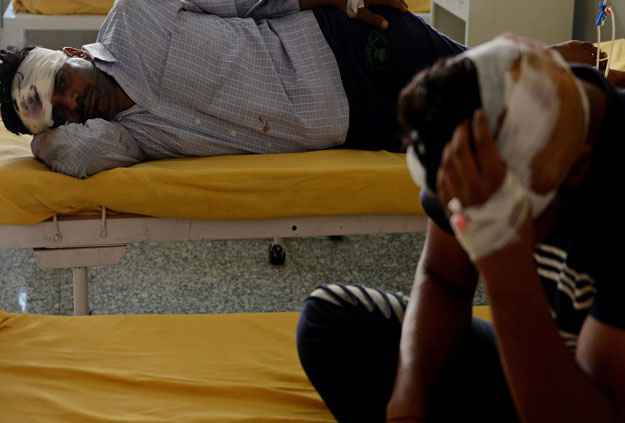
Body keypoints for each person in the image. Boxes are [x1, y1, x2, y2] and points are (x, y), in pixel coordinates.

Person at [296, 35, 624, 422]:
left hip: (592, 399)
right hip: (530, 358)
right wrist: (407, 401)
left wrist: (503, 256)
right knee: (329, 320)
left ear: (578, 169)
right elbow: (443, 277)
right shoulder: (479, 130)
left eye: (524, 224)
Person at [0, 0, 606, 179]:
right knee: (500, 120)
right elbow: (70, 155)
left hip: (342, 44)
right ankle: (577, 78)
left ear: (74, 53)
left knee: (495, 84)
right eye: (54, 114)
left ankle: (579, 74)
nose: (71, 103)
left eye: (61, 83)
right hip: (363, 125)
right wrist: (42, 135)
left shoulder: (140, 13)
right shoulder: (120, 139)